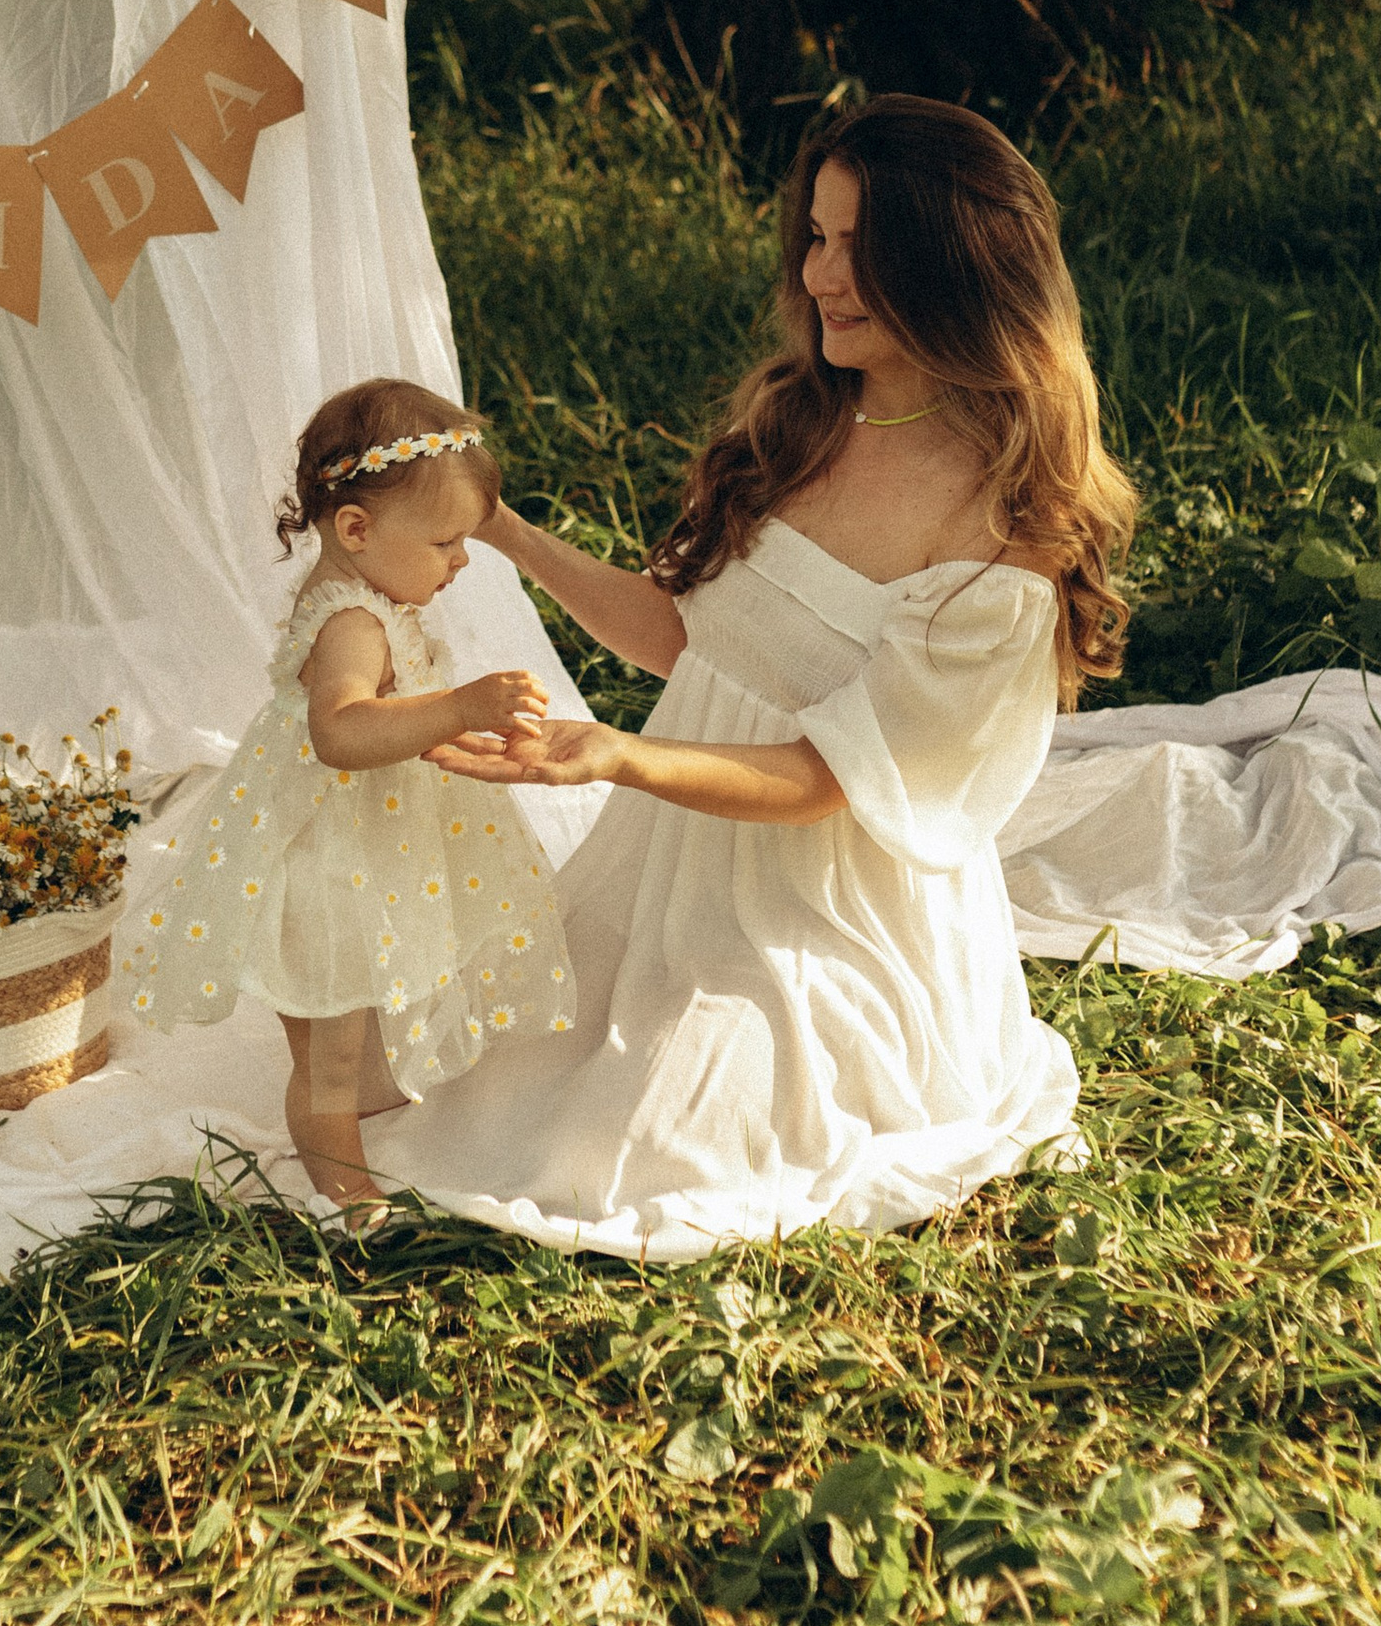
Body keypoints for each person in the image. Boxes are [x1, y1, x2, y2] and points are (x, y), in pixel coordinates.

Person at [370, 94, 1130, 1251]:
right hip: (669, 861)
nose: (822, 276)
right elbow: (690, 641)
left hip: (829, 912)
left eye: (861, 247)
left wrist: (619, 754)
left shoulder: (999, 531)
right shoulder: (804, 418)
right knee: (455, 1067)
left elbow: (828, 780)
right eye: (816, 237)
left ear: (954, 265)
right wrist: (504, 530)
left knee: (646, 1145)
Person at [134, 380, 575, 1208]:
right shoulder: (351, 624)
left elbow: (392, 718)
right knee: (328, 1051)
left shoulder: (369, 595)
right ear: (356, 530)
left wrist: (449, 738)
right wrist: (460, 706)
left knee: (347, 1013)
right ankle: (343, 1190)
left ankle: (355, 1112)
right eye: (445, 541)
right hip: (331, 858)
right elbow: (340, 731)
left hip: (362, 837)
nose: (462, 560)